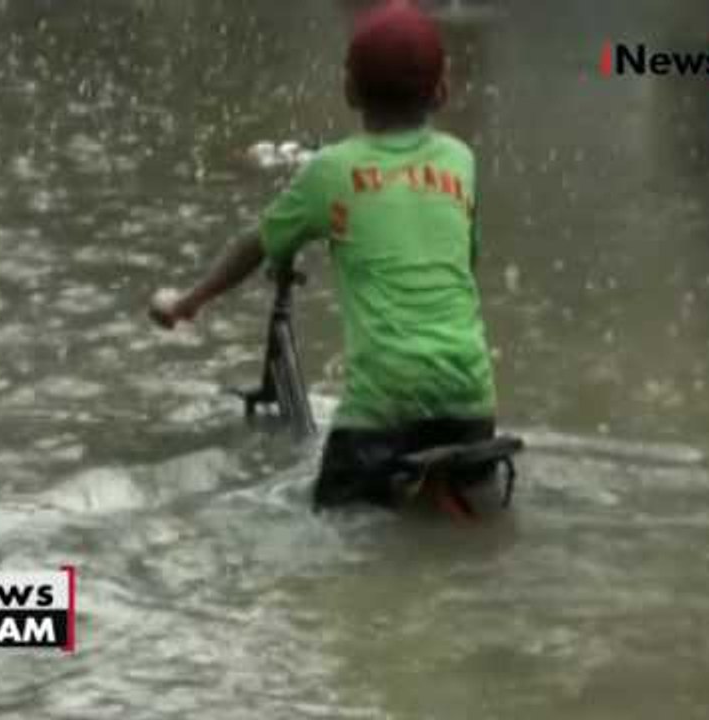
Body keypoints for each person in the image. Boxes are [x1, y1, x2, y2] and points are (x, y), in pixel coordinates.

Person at [150, 1, 498, 515]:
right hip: (472, 402)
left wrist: (188, 302)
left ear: (349, 90)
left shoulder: (331, 171)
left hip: (382, 411)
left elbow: (254, 244)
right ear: (442, 90)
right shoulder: (460, 161)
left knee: (328, 523)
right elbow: (463, 264)